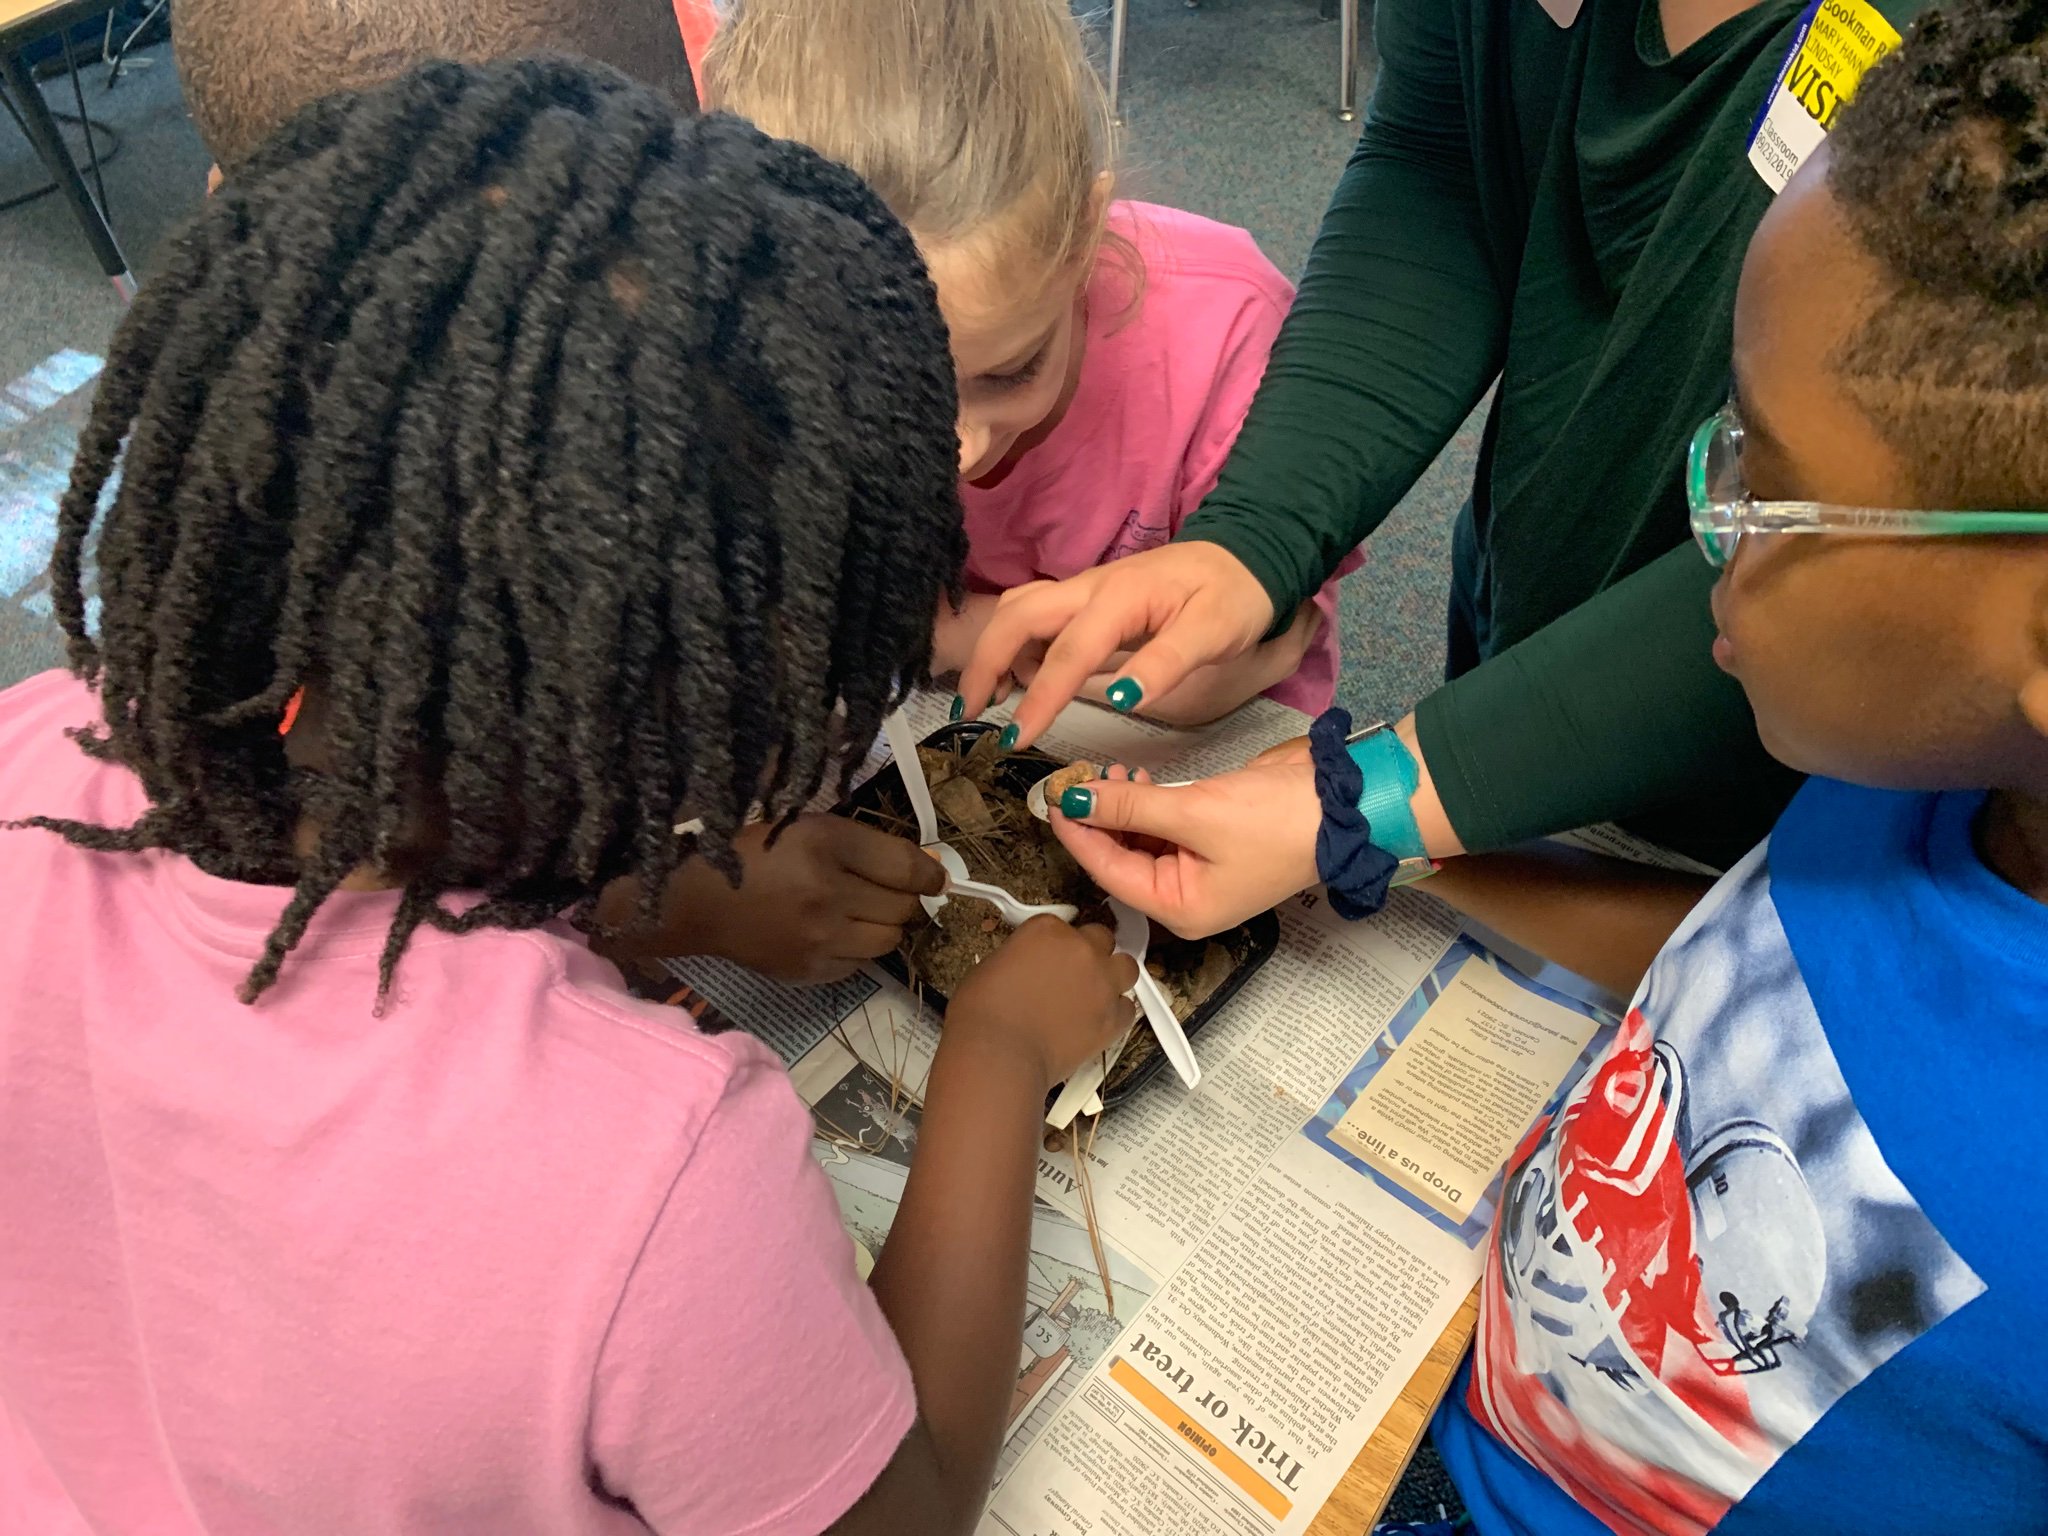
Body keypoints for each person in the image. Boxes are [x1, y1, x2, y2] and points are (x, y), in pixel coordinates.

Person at [0, 63, 1137, 1534]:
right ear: (734, 714)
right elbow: (900, 1516)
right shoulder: (660, 1181)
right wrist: (992, 1058)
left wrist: (641, 903)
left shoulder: (39, 751)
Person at [1057, 3, 2048, 1527]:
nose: (1701, 529)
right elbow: (1746, 961)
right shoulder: (1910, 780)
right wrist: (1358, 831)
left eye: (1759, 487)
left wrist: (1361, 806)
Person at [961, 0, 1932, 872]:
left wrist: (1391, 793)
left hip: (1816, 781)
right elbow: (1444, 162)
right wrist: (1250, 540)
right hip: (1532, 605)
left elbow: (1862, 533)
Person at [167, 0, 959, 988]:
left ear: (224, 224)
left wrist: (653, 906)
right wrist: (1002, 1051)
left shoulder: (50, 730)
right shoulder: (678, 1136)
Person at [703, 0, 1358, 722]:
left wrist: (948, 630)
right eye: (877, 397)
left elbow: (1244, 660)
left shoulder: (1227, 333)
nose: (959, 449)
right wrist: (977, 633)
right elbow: (768, 601)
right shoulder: (742, 344)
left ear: (1081, 238)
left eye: (1009, 372)